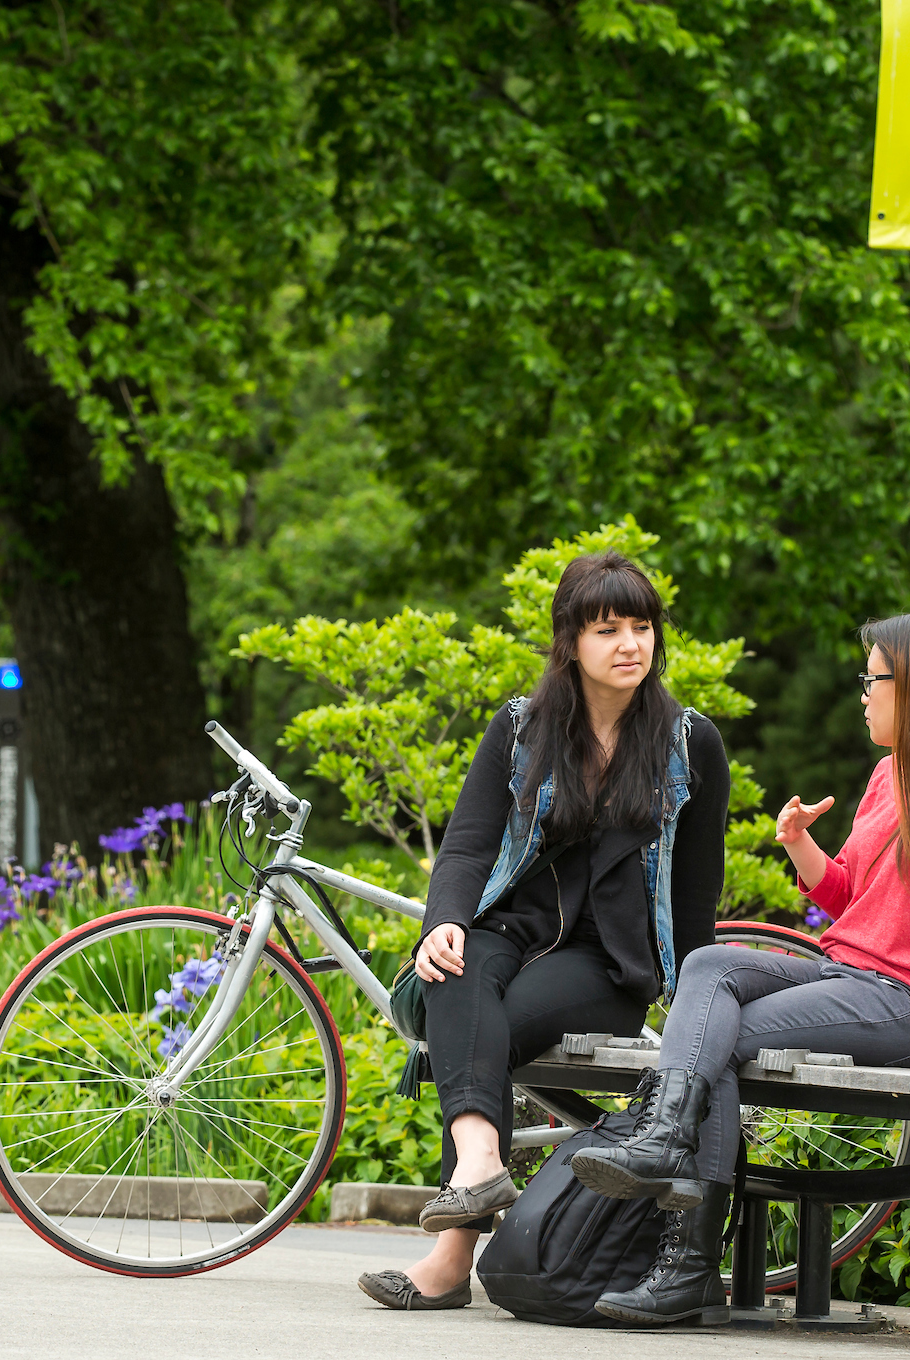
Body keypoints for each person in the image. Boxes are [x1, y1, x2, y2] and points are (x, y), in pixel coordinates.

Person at [568, 608, 910, 1326]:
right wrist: (798, 845)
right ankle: (670, 1178)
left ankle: (686, 1259)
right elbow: (849, 892)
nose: (864, 693)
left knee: (710, 1041)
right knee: (711, 969)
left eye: (872, 678)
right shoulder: (891, 774)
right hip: (845, 975)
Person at [356, 552, 729, 1312]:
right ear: (570, 641)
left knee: (479, 1029)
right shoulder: (522, 729)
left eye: (642, 626)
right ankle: (481, 1162)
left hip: (606, 962)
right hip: (513, 926)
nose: (631, 643)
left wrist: (695, 1003)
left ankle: (451, 1254)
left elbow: (694, 897)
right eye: (608, 628)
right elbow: (466, 843)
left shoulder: (690, 744)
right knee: (453, 977)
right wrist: (445, 925)